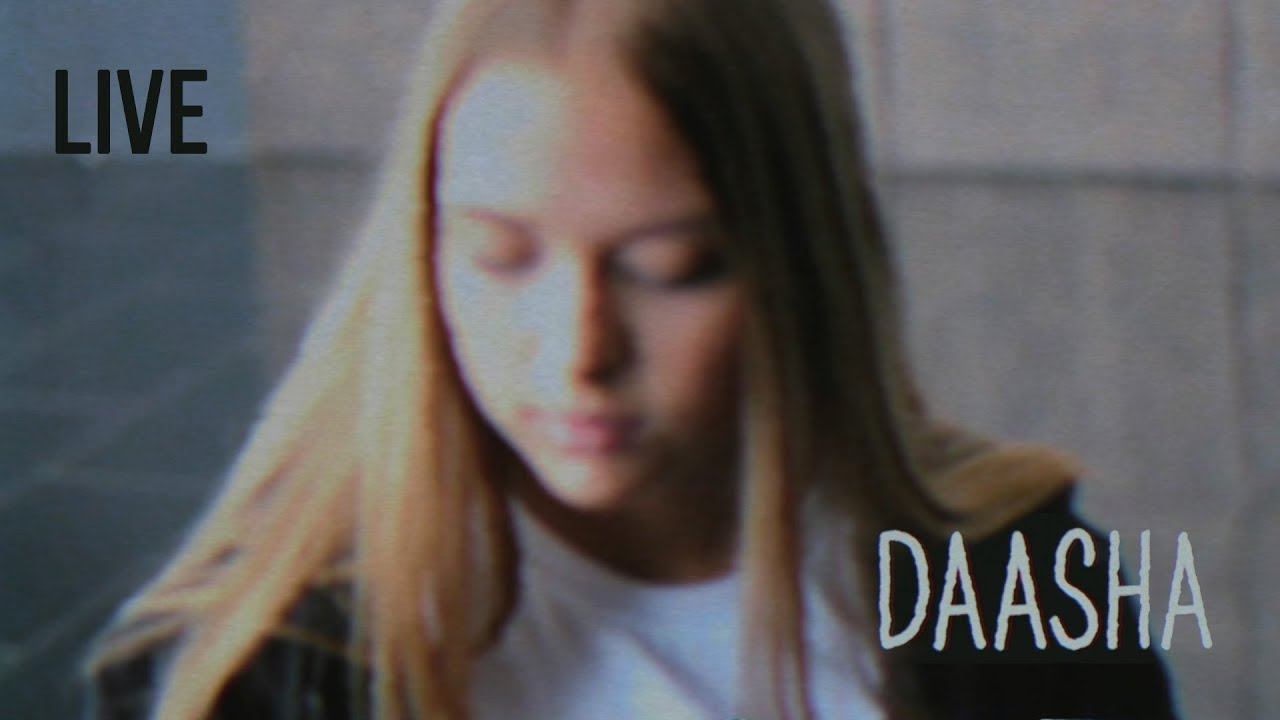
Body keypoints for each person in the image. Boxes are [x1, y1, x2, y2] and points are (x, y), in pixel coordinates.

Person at [85, 0, 1180, 718]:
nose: (578, 351)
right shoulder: (265, 662)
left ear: (801, 262)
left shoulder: (1023, 593)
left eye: (671, 268)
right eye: (499, 257)